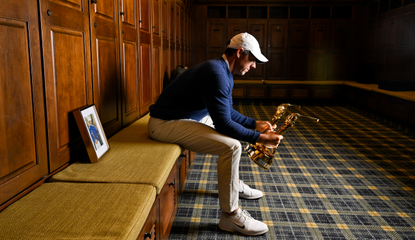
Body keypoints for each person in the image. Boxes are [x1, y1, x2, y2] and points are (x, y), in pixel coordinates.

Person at [148, 32, 283, 236]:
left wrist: (254, 124)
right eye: (252, 59)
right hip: (164, 124)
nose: (254, 65)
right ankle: (230, 216)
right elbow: (224, 124)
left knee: (231, 140)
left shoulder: (221, 70)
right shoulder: (217, 74)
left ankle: (233, 184)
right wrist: (262, 138)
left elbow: (225, 111)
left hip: (187, 117)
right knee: (232, 146)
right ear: (239, 53)